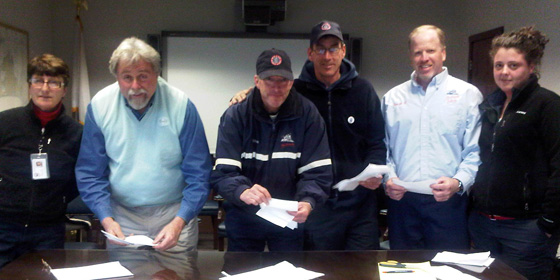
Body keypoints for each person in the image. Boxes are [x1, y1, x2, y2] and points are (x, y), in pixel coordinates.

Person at [231, 20, 386, 250]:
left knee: (362, 268)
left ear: (343, 51)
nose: (327, 56)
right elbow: (271, 91)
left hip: (359, 201)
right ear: (310, 53)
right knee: (319, 269)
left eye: (333, 48)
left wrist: (376, 169)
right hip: (316, 202)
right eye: (320, 49)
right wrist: (248, 93)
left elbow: (376, 141)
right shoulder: (296, 93)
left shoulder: (363, 90)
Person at [75, 37, 212, 252]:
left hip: (174, 215)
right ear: (117, 78)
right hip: (122, 217)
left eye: (143, 76)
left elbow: (199, 173)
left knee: (177, 275)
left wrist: (179, 221)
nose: (135, 86)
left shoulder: (181, 105)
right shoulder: (100, 106)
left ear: (157, 75)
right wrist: (106, 219)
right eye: (127, 77)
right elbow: (90, 173)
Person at [212, 49, 332, 252]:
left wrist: (308, 201)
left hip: (288, 216)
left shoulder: (308, 114)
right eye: (269, 81)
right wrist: (243, 191)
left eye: (283, 80)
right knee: (242, 273)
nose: (277, 88)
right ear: (256, 81)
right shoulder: (236, 115)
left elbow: (318, 172)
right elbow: (224, 172)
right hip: (244, 216)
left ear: (292, 82)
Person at [469, 26, 560, 280]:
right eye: (499, 65)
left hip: (526, 229)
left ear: (531, 67)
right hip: (484, 224)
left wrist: (549, 222)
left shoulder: (547, 105)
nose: (504, 72)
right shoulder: (490, 105)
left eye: (513, 65)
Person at [382, 25, 482, 249]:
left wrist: (458, 182)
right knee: (404, 270)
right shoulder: (392, 98)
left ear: (443, 53)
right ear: (410, 56)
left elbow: (475, 151)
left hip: (448, 203)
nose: (424, 58)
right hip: (402, 203)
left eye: (431, 51)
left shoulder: (467, 95)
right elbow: (384, 149)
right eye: (418, 52)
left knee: (448, 271)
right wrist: (387, 178)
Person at [0, 54, 82, 268]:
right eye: (38, 80)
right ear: (29, 86)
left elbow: (78, 178)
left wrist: (59, 198)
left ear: (64, 90)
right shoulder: (5, 122)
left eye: (54, 82)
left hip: (48, 230)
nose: (45, 89)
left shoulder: (76, 132)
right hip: (4, 226)